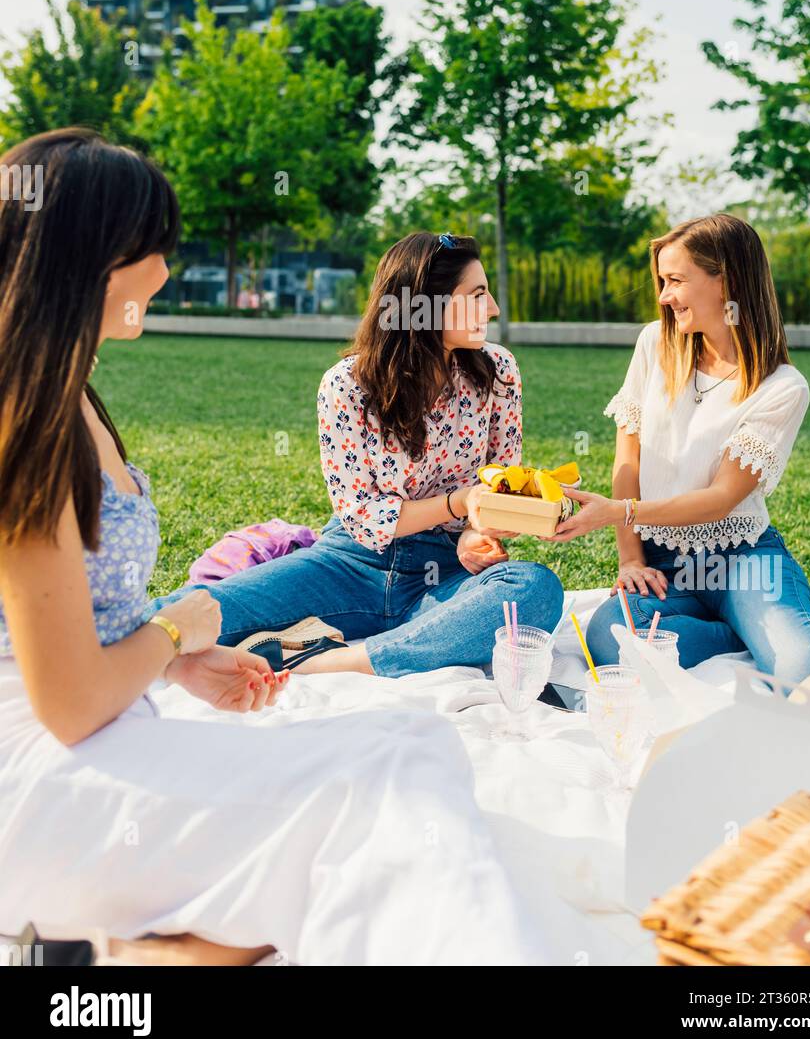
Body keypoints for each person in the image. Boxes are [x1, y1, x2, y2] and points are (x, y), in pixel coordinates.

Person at [0, 130, 550, 966]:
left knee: (415, 745)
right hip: (50, 764)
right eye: (156, 247)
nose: (166, 270)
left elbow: (77, 624)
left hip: (106, 718)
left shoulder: (66, 390)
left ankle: (142, 950)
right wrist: (179, 632)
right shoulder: (30, 418)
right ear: (98, 256)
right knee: (391, 783)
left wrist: (176, 662)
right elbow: (69, 700)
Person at [156, 232, 564, 676]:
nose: (493, 309)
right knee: (191, 613)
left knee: (534, 588)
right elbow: (364, 518)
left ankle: (335, 660)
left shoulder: (498, 370)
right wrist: (458, 503)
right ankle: (419, 644)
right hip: (349, 565)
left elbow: (500, 484)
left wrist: (476, 530)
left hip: (446, 575)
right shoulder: (347, 385)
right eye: (478, 294)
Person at [547, 214, 810, 686]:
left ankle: (789, 629)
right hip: (662, 560)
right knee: (609, 635)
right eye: (662, 281)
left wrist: (615, 513)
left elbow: (723, 498)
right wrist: (631, 559)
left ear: (726, 281)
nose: (663, 296)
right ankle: (742, 636)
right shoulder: (653, 345)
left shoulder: (783, 387)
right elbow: (629, 460)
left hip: (743, 559)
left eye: (676, 280)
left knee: (801, 669)